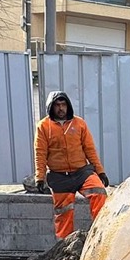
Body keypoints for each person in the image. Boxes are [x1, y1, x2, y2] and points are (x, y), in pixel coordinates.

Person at [34, 91, 109, 239]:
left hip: (82, 172)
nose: (61, 108)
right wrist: (40, 178)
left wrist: (100, 172)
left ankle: (102, 233)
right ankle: (65, 246)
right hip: (59, 176)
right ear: (51, 107)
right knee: (63, 214)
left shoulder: (79, 123)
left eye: (63, 105)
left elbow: (90, 149)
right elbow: (40, 153)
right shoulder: (43, 126)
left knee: (99, 193)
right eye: (57, 105)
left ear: (68, 106)